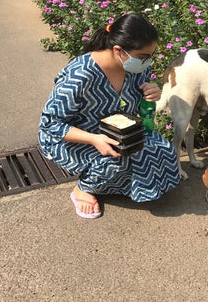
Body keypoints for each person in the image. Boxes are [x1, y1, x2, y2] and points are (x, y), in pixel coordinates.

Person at [39, 13, 180, 219]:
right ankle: (83, 188)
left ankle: (120, 182)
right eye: (143, 56)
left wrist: (150, 99)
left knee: (161, 149)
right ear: (118, 50)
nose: (147, 62)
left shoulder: (135, 69)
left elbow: (146, 122)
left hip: (114, 131)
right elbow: (50, 124)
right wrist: (93, 139)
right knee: (116, 160)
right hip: (71, 138)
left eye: (150, 56)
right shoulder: (80, 76)